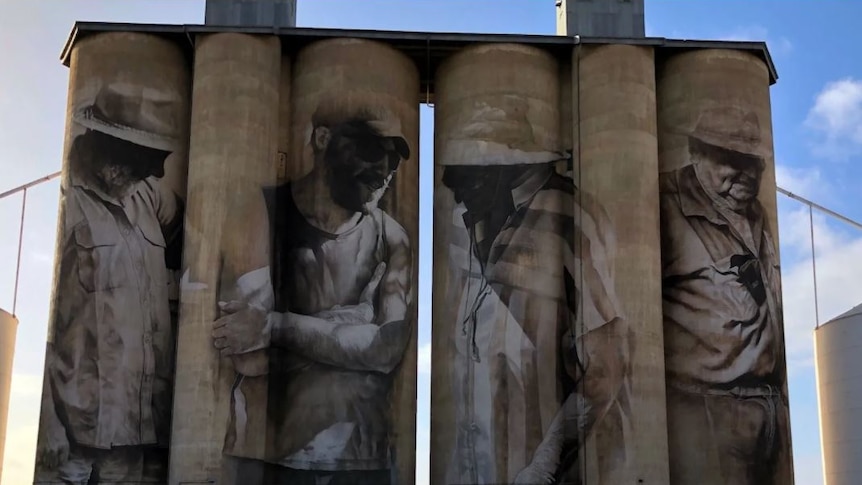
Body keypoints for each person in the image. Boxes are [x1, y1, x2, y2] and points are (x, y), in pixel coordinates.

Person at [211, 104, 414, 485]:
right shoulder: (260, 212)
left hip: (363, 462)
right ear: (323, 139)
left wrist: (274, 325)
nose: (385, 170)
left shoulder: (392, 237)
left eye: (393, 158)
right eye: (372, 150)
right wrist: (354, 321)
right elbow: (249, 359)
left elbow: (385, 350)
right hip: (265, 457)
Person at [437, 97, 632, 485]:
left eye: (468, 178)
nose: (456, 194)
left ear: (510, 167)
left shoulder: (570, 215)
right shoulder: (474, 229)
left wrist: (544, 465)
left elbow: (608, 361)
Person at [35, 82, 185, 484]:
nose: (153, 172)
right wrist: (48, 424)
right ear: (109, 146)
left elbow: (198, 217)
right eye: (144, 160)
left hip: (134, 435)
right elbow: (49, 325)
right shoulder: (72, 205)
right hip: (72, 440)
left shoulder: (146, 196)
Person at [660, 106, 792, 485]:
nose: (748, 174)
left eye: (755, 162)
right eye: (732, 159)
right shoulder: (662, 203)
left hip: (769, 410)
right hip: (708, 412)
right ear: (695, 151)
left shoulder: (757, 214)